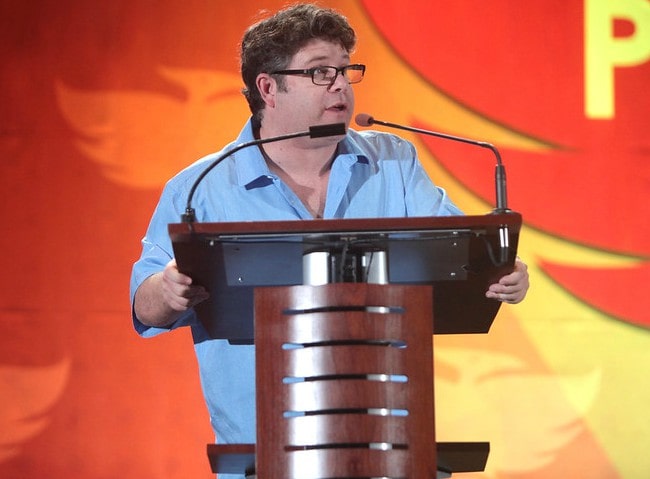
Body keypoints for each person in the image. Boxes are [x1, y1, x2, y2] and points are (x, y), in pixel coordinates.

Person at [130, 3, 529, 478]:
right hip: (263, 456)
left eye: (346, 70)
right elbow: (144, 306)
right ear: (268, 87)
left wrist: (501, 272)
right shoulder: (202, 186)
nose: (341, 84)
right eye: (321, 72)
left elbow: (461, 252)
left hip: (389, 445)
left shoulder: (394, 163)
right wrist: (170, 287)